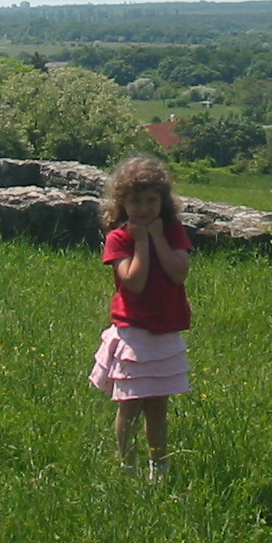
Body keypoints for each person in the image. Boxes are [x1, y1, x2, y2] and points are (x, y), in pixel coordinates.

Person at [89, 155, 192, 481]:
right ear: (122, 203)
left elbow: (179, 273)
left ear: (163, 202)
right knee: (130, 405)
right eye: (136, 202)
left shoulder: (173, 232)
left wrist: (158, 237)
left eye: (151, 200)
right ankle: (127, 467)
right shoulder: (119, 238)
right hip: (134, 331)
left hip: (164, 330)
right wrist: (143, 241)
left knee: (158, 407)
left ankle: (158, 469)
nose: (145, 209)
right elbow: (133, 281)